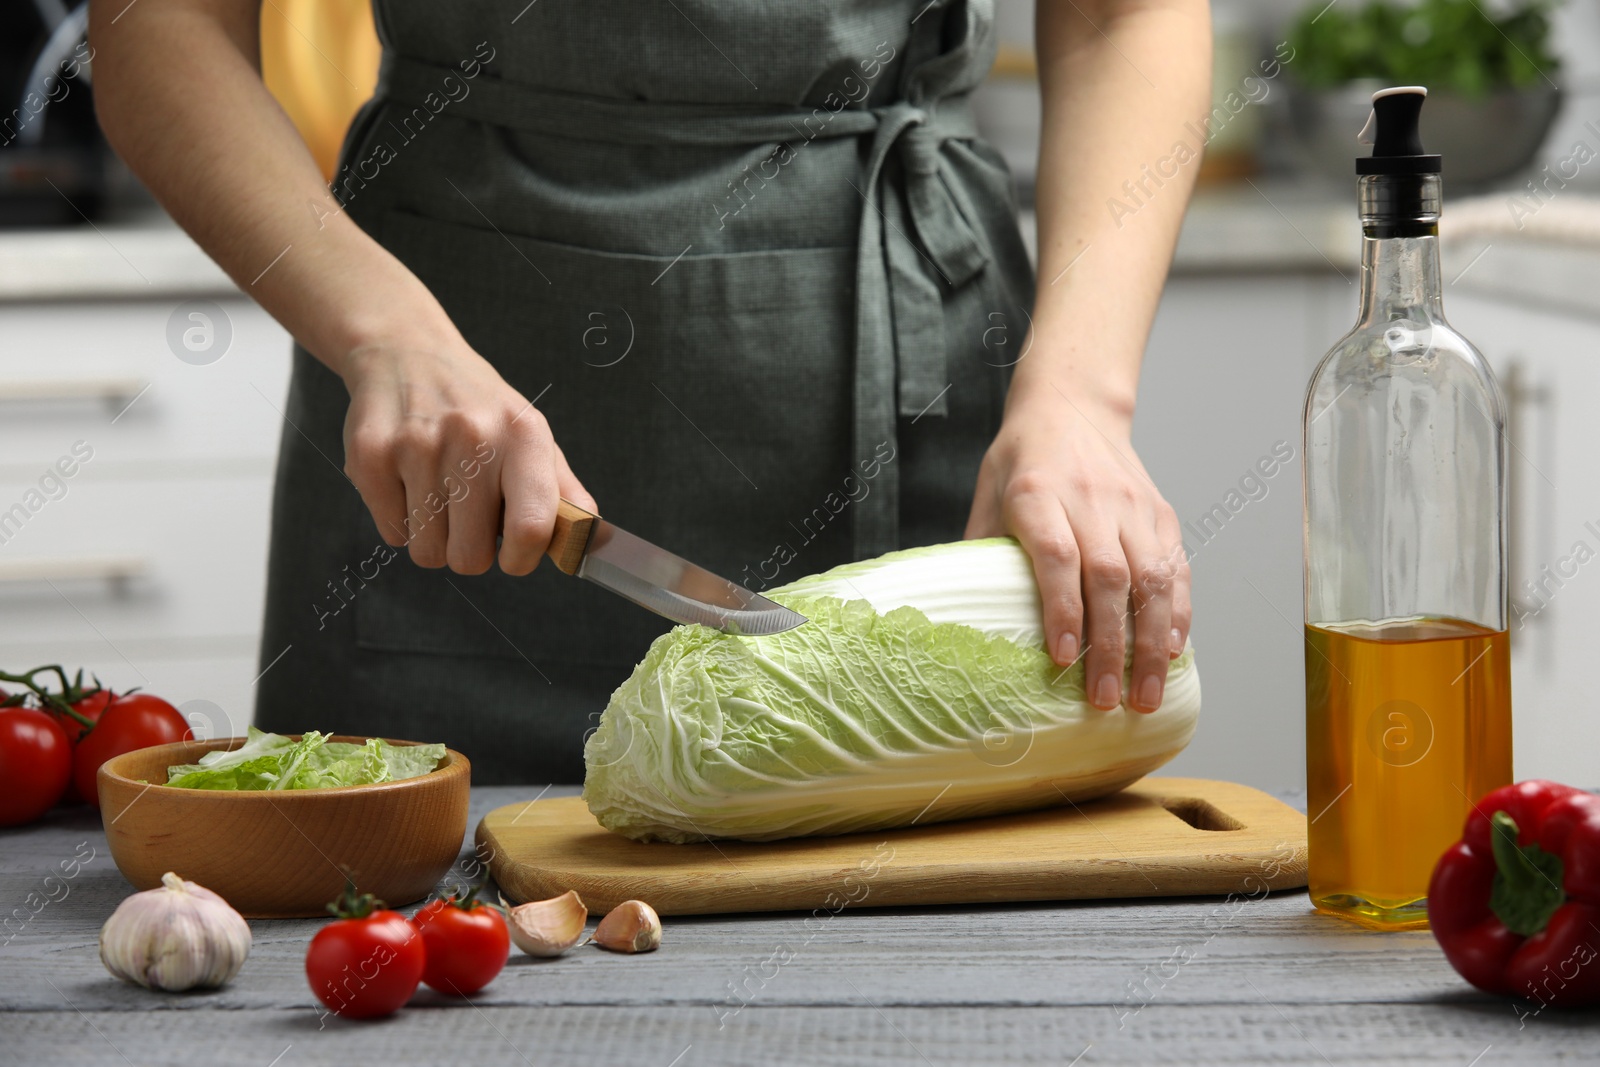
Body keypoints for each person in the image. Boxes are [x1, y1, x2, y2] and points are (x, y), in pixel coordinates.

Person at [91, 0, 1209, 782]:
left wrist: (1078, 402)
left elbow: (1128, 15)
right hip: (441, 420)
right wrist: (386, 340)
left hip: (909, 379)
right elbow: (159, 26)